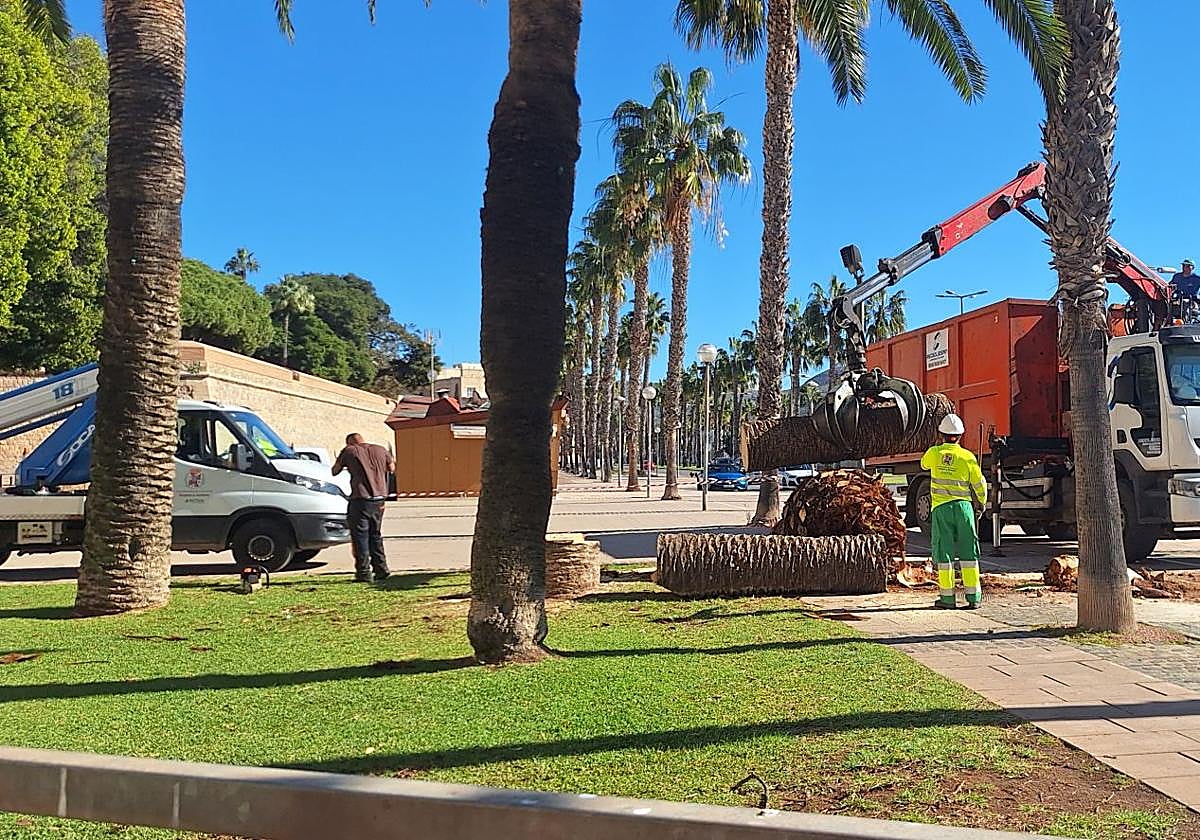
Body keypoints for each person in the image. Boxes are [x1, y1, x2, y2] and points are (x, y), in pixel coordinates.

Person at [920, 414, 988, 610]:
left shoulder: (933, 453)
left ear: (941, 434)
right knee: (969, 553)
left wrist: (937, 451)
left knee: (944, 553)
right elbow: (979, 483)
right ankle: (973, 598)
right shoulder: (968, 456)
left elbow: (924, 464)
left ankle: (947, 599)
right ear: (960, 436)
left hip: (941, 508)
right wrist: (981, 503)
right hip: (964, 508)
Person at [332, 433, 394, 582]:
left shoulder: (349, 451)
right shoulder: (381, 449)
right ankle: (381, 569)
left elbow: (335, 471)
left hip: (361, 498)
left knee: (360, 536)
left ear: (349, 442)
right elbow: (391, 468)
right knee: (376, 534)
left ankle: (363, 572)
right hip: (380, 499)